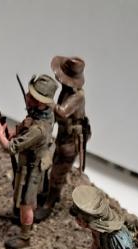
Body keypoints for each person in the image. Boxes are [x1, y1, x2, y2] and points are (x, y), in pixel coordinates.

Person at [0, 73, 59, 249]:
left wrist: (0, 134)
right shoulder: (44, 113)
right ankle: (22, 218)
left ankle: (25, 237)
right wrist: (14, 132)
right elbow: (27, 123)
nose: (27, 97)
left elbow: (10, 147)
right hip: (31, 165)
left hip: (31, 170)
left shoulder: (38, 130)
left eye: (32, 96)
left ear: (41, 102)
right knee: (25, 199)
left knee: (26, 203)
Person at [41, 56, 89, 219]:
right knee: (54, 165)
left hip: (70, 141)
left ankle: (50, 202)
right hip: (62, 137)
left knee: (58, 172)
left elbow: (62, 111)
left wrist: (47, 101)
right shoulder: (66, 91)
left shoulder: (77, 96)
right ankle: (50, 193)